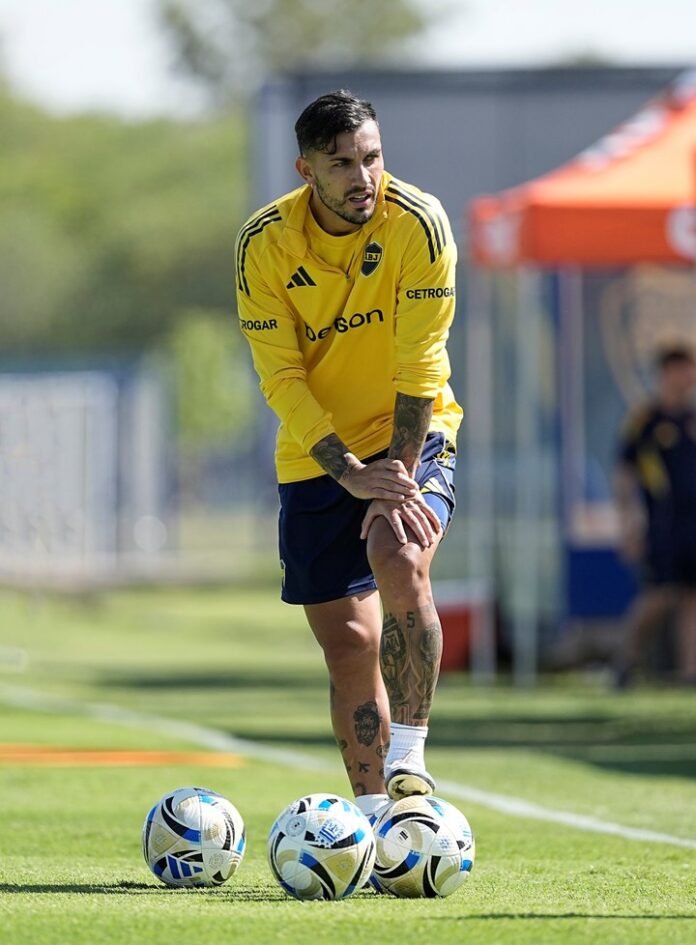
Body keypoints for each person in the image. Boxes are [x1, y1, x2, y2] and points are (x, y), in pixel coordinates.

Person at [234, 90, 461, 820]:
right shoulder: (264, 243)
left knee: (400, 553)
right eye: (341, 164)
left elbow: (420, 366)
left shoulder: (418, 223)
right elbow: (281, 377)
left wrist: (391, 480)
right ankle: (369, 820)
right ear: (306, 170)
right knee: (350, 644)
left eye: (372, 157)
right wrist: (349, 472)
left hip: (409, 431)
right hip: (318, 451)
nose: (363, 177)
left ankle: (409, 762)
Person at [614, 344, 696, 687]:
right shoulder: (646, 421)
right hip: (664, 523)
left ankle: (690, 671)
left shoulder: (691, 419)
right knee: (659, 595)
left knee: (691, 596)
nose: (689, 377)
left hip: (693, 522)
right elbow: (624, 475)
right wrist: (629, 524)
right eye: (683, 370)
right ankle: (624, 661)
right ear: (666, 373)